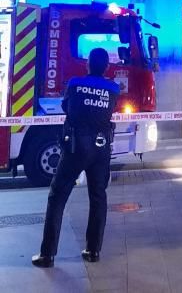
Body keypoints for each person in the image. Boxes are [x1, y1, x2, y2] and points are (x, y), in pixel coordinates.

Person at [32, 48, 120, 268]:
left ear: (88, 64)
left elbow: (66, 106)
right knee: (98, 198)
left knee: (57, 197)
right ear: (107, 67)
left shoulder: (74, 83)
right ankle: (93, 251)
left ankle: (47, 254)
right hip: (101, 149)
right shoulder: (113, 88)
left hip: (75, 148)